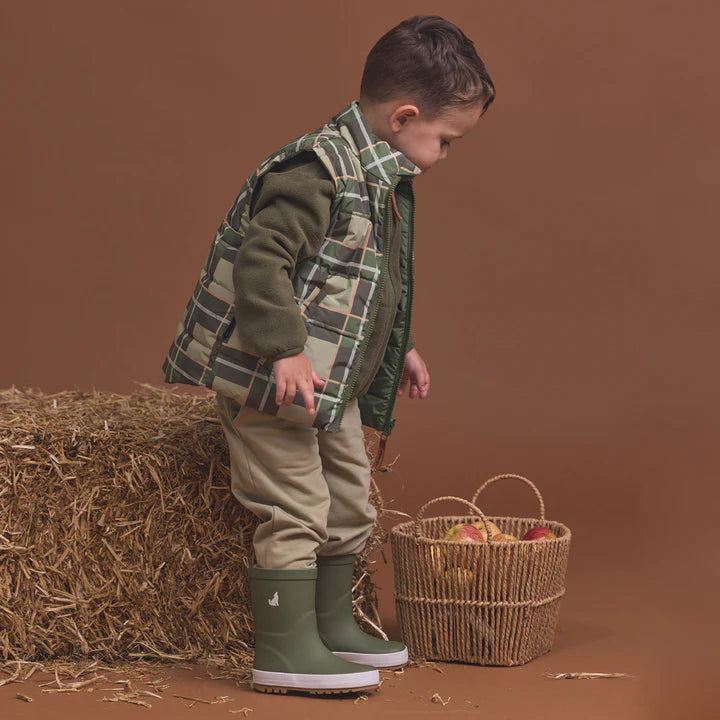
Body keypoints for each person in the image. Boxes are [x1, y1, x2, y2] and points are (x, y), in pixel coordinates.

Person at [160, 14, 495, 696]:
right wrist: (283, 350)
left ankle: (331, 624)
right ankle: (285, 648)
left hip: (329, 383)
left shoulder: (378, 176)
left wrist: (398, 346)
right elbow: (263, 262)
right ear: (404, 117)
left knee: (349, 501)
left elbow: (358, 283)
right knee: (298, 505)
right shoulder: (316, 170)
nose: (444, 154)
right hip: (273, 379)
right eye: (446, 140)